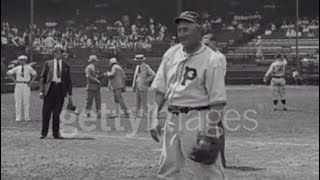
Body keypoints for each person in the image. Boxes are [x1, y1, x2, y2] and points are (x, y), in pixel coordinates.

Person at [150, 11, 228, 180]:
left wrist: (208, 133)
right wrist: (154, 118)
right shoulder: (171, 54)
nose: (182, 34)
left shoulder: (212, 60)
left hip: (197, 119)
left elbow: (217, 102)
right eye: (180, 30)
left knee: (208, 174)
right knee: (167, 172)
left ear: (199, 31)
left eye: (186, 29)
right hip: (172, 119)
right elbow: (160, 90)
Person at [202, 33, 227, 168]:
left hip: (214, 98)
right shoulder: (207, 57)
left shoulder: (218, 57)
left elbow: (218, 79)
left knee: (216, 128)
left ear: (214, 43)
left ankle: (220, 158)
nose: (204, 47)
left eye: (206, 44)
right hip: (205, 98)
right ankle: (211, 156)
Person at [39, 44, 73, 139]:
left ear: (62, 54)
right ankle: (44, 132)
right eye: (55, 52)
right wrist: (41, 91)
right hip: (50, 89)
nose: (57, 54)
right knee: (46, 112)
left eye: (59, 52)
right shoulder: (48, 64)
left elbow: (68, 81)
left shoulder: (66, 66)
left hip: (60, 90)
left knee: (57, 113)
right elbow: (42, 78)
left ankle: (56, 133)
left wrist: (70, 94)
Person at [7, 55, 37, 121]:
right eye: (20, 60)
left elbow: (35, 74)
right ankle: (18, 117)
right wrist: (14, 81)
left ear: (25, 60)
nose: (21, 61)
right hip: (18, 84)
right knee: (18, 101)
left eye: (23, 60)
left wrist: (31, 82)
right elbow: (9, 73)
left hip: (26, 84)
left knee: (26, 101)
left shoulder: (29, 68)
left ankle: (27, 117)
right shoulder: (17, 68)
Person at [132, 54, 155, 118]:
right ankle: (137, 114)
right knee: (137, 100)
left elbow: (153, 74)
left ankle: (145, 113)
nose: (137, 61)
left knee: (144, 100)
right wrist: (134, 85)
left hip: (143, 85)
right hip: (137, 85)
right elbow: (135, 76)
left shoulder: (146, 66)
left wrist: (147, 81)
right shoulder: (137, 67)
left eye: (138, 60)